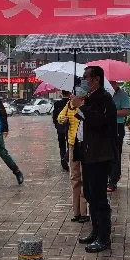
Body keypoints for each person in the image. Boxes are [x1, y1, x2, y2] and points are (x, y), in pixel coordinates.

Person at [71, 65, 117, 253]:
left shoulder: (104, 98)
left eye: (86, 77)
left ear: (96, 79)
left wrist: (82, 106)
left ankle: (104, 238)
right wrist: (79, 103)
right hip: (88, 153)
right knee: (89, 194)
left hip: (100, 155)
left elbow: (99, 122)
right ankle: (95, 231)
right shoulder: (90, 97)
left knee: (99, 197)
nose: (84, 81)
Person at [57, 94, 88, 223]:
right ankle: (76, 212)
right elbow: (60, 116)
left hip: (86, 145)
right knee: (74, 178)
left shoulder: (88, 103)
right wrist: (62, 119)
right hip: (72, 144)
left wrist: (80, 106)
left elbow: (89, 119)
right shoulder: (70, 103)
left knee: (85, 178)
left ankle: (84, 212)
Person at [108, 81, 130, 192]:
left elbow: (126, 111)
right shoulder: (104, 94)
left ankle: (113, 180)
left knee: (115, 153)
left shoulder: (123, 95)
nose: (110, 84)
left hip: (117, 126)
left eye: (112, 83)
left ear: (116, 83)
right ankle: (107, 177)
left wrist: (111, 112)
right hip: (105, 126)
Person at [53, 91, 71, 171]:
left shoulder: (57, 104)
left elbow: (54, 117)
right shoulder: (71, 103)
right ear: (69, 94)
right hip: (69, 128)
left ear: (62, 94)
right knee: (70, 145)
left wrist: (57, 126)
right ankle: (68, 160)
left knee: (62, 146)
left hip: (60, 128)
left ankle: (63, 162)